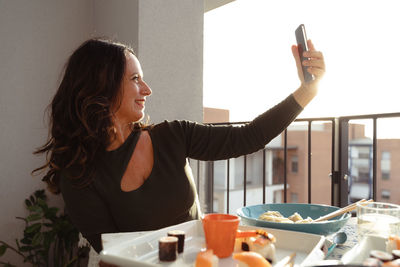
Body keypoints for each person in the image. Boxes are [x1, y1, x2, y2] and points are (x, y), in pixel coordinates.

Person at [33, 37, 325, 254]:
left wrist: (307, 91)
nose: (147, 90)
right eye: (135, 79)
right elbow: (116, 255)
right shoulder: (79, 175)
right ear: (101, 87)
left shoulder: (172, 136)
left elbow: (250, 136)